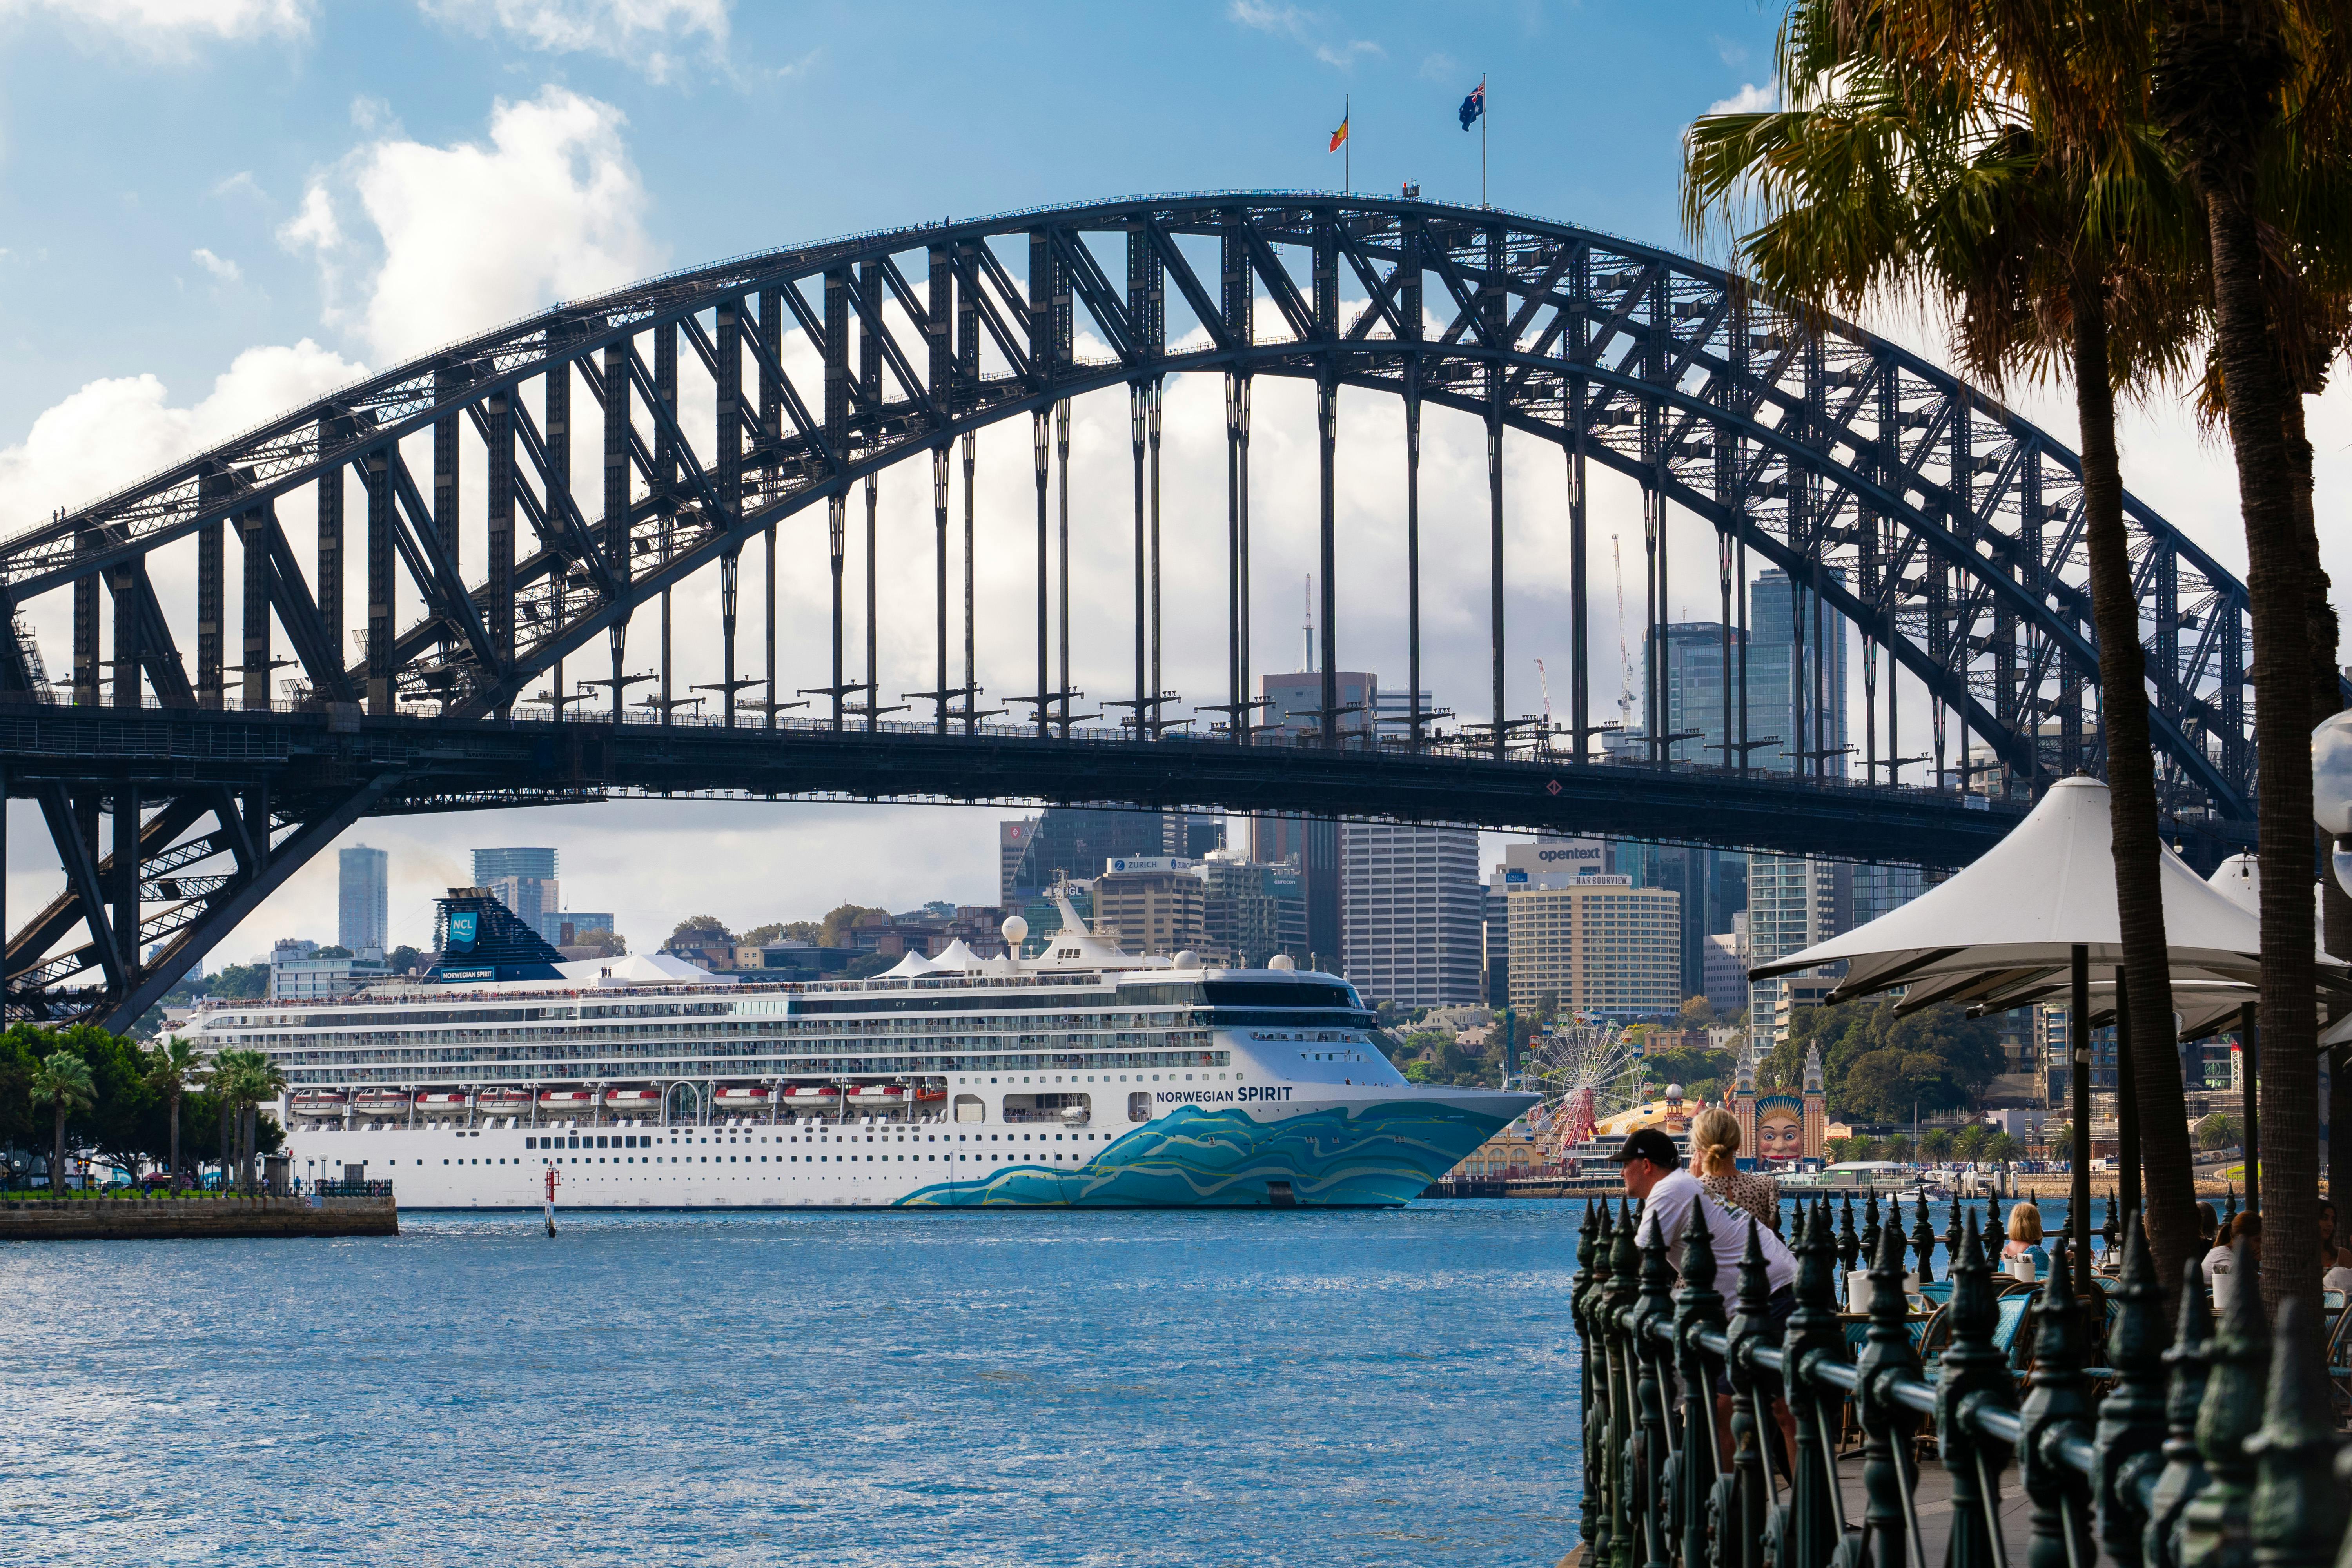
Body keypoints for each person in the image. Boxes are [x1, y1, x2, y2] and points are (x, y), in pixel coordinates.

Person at [1614, 1126, 1798, 1463]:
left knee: (1755, 1411)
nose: (1620, 1172)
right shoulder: (1683, 1184)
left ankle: (1732, 1508)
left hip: (1773, 1297)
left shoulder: (1668, 1191)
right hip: (1769, 1293)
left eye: (1624, 1164)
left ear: (1645, 1165)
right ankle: (1751, 1504)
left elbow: (1634, 1259)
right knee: (1780, 1411)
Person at [1691, 1106, 1780, 1232]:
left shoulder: (1692, 1192)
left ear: (1698, 1148)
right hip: (1753, 1251)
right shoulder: (1766, 1187)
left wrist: (1694, 1182)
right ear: (1737, 1145)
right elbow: (1769, 1236)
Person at [2204, 1213, 2260, 1313]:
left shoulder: (2229, 1254)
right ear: (2241, 1239)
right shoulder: (2224, 1256)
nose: (2261, 1245)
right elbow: (2253, 1283)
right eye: (2257, 1240)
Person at [2002, 1202, 2051, 1282]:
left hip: (2010, 1291)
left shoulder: (2006, 1250)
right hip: (2033, 1292)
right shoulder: (2034, 1251)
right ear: (2035, 1225)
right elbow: (2049, 1275)